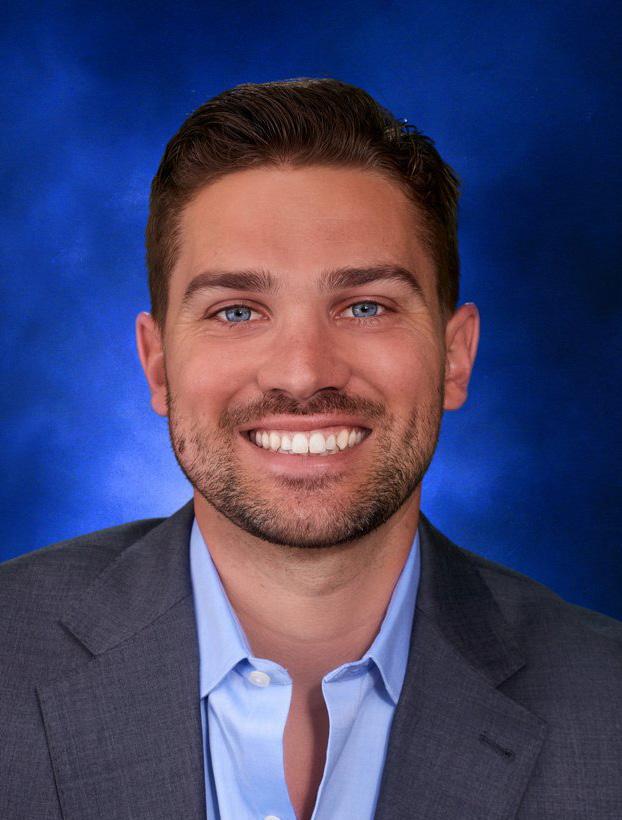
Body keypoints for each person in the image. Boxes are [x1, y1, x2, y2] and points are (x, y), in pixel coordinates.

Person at [1, 78, 620, 820]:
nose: (302, 373)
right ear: (158, 365)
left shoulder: (605, 706)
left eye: (365, 306)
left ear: (455, 357)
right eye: (237, 311)